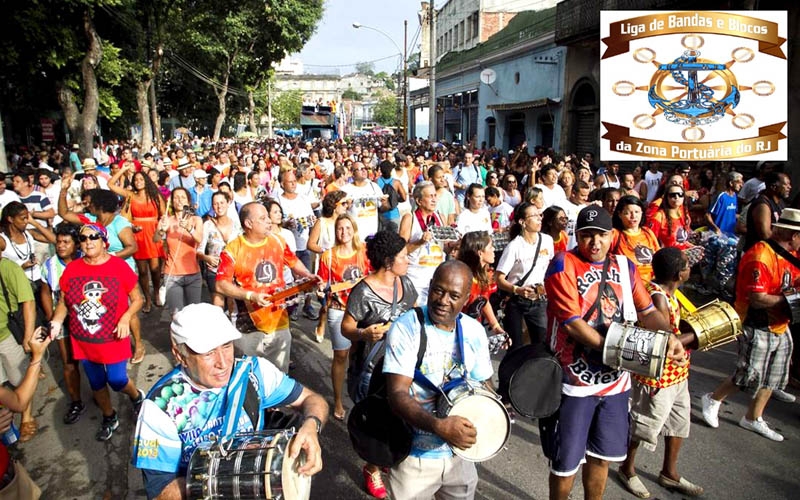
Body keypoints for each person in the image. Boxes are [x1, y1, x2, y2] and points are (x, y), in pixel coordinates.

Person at [542, 206, 686, 500]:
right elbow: (572, 325)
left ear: (612, 236)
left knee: (600, 456)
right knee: (566, 464)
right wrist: (618, 349)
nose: (594, 243)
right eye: (587, 236)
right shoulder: (562, 264)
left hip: (615, 383)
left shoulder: (625, 266)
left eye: (602, 235)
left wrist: (668, 337)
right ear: (577, 236)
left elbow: (647, 311)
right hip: (574, 383)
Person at [132, 303, 328, 500]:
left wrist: (312, 425)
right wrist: (220, 478)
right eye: (208, 353)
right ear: (180, 355)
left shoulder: (254, 371)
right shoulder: (159, 407)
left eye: (227, 346)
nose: (223, 363)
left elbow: (313, 399)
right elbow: (160, 493)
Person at [383, 260, 493, 500]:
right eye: (438, 290)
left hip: (460, 458)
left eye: (454, 295)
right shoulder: (407, 327)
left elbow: (484, 385)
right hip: (414, 459)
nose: (443, 301)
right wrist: (439, 426)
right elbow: (397, 394)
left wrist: (493, 411)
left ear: (466, 298)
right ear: (430, 286)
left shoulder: (474, 331)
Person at [701, 207, 800, 442]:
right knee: (748, 373)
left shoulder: (794, 254)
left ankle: (753, 417)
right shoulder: (761, 255)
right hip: (756, 322)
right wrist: (794, 300)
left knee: (772, 376)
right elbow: (757, 299)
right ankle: (713, 398)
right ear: (793, 235)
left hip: (781, 323)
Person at [618, 247, 702, 498]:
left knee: (677, 425)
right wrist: (698, 334)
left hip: (677, 375)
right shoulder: (657, 297)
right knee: (644, 426)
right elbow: (666, 339)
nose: (690, 269)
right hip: (657, 377)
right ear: (679, 273)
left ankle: (669, 472)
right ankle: (627, 468)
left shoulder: (670, 293)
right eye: (687, 265)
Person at [49, 223, 145, 441]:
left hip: (113, 337)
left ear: (104, 241)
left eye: (93, 237)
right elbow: (64, 300)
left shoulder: (119, 266)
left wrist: (125, 318)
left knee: (117, 379)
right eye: (83, 238)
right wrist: (55, 322)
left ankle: (137, 396)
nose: (88, 242)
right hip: (83, 340)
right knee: (96, 382)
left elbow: (137, 299)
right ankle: (109, 416)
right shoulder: (73, 269)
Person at [341, 230, 418, 499]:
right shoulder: (363, 291)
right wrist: (364, 333)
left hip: (401, 365)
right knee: (377, 419)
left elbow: (416, 314)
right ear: (388, 261)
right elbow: (346, 327)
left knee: (401, 415)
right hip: (370, 369)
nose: (408, 261)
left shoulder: (405, 284)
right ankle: (372, 467)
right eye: (403, 257)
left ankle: (389, 454)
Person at [215, 202, 317, 372]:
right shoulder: (233, 249)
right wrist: (251, 296)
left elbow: (293, 262)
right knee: (249, 380)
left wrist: (308, 275)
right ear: (248, 224)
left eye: (268, 217)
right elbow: (221, 284)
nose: (269, 221)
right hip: (247, 326)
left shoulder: (277, 241)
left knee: (279, 379)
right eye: (263, 218)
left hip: (279, 322)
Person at [318, 214, 370, 421]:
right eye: (340, 228)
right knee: (341, 355)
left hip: (364, 310)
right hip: (339, 309)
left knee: (361, 354)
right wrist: (320, 289)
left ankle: (359, 390)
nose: (344, 232)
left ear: (354, 229)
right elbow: (321, 282)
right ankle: (338, 399)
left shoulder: (364, 251)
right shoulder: (328, 256)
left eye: (348, 228)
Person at [40, 222, 86, 425]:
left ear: (76, 244)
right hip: (64, 321)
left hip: (87, 319)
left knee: (94, 361)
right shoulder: (49, 265)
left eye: (66, 242)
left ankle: (101, 394)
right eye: (58, 242)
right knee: (69, 364)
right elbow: (45, 293)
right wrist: (52, 318)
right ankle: (76, 401)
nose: (61, 246)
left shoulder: (87, 261)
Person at [495, 201, 554, 352]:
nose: (540, 218)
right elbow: (499, 279)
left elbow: (550, 269)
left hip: (539, 300)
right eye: (534, 216)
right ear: (523, 222)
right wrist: (517, 290)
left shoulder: (547, 240)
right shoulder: (514, 246)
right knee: (515, 347)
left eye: (539, 215)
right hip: (516, 301)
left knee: (542, 344)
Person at [107, 166, 166, 312]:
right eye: (135, 180)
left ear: (146, 181)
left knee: (155, 269)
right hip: (138, 234)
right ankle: (146, 299)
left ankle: (157, 293)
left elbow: (164, 216)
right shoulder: (130, 195)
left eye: (141, 179)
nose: (138, 182)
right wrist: (123, 170)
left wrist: (161, 232)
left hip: (153, 233)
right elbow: (110, 185)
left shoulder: (155, 195)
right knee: (143, 270)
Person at [308, 191, 351, 340]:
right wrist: (327, 251)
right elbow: (311, 244)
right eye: (344, 203)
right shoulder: (322, 222)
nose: (347, 206)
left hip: (343, 267)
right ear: (334, 205)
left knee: (340, 302)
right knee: (326, 304)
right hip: (326, 266)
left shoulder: (347, 221)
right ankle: (322, 321)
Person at [156, 188, 204, 316]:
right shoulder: (166, 220)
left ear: (188, 200)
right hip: (172, 275)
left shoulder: (196, 220)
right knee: (176, 314)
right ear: (171, 201)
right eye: (176, 197)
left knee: (193, 314)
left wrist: (189, 228)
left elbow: (199, 239)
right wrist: (161, 230)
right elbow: (155, 239)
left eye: (182, 197)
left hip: (193, 274)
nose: (179, 200)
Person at [399, 181, 446, 306]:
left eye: (435, 195)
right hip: (416, 279)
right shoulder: (409, 218)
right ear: (419, 201)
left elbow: (445, 246)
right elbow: (400, 251)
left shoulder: (439, 217)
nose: (434, 199)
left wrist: (454, 244)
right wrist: (420, 242)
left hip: (437, 279)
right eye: (430, 196)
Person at [457, 231, 504, 334]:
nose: (494, 249)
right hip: (458, 332)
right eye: (490, 247)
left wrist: (496, 326)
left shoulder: (483, 275)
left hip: (474, 330)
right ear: (480, 253)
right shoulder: (461, 279)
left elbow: (483, 300)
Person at [197, 191, 239, 298]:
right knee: (218, 306)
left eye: (222, 203)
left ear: (228, 203)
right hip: (214, 272)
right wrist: (207, 258)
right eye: (216, 204)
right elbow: (198, 251)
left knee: (233, 309)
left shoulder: (237, 224)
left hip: (235, 272)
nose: (219, 206)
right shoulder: (208, 225)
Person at [612, 196, 661, 284]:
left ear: (642, 213)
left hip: (654, 281)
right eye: (628, 213)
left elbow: (660, 256)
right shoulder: (615, 235)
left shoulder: (648, 232)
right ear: (619, 214)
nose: (633, 216)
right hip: (632, 284)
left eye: (637, 212)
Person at [742, 171, 791, 252]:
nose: (790, 187)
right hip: (758, 255)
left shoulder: (780, 202)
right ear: (773, 187)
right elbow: (765, 235)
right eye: (786, 184)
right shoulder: (762, 205)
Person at [340, 161, 384, 239]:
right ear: (352, 173)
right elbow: (339, 212)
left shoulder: (374, 187)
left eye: (365, 168)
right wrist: (346, 206)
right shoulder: (345, 190)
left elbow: (383, 207)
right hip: (354, 236)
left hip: (372, 235)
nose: (364, 171)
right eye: (360, 169)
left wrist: (385, 202)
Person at [648, 186, 693, 250]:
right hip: (668, 255)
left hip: (685, 254)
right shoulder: (659, 216)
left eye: (680, 194)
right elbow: (650, 239)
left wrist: (692, 246)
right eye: (672, 195)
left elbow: (684, 239)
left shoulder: (684, 213)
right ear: (666, 198)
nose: (676, 197)